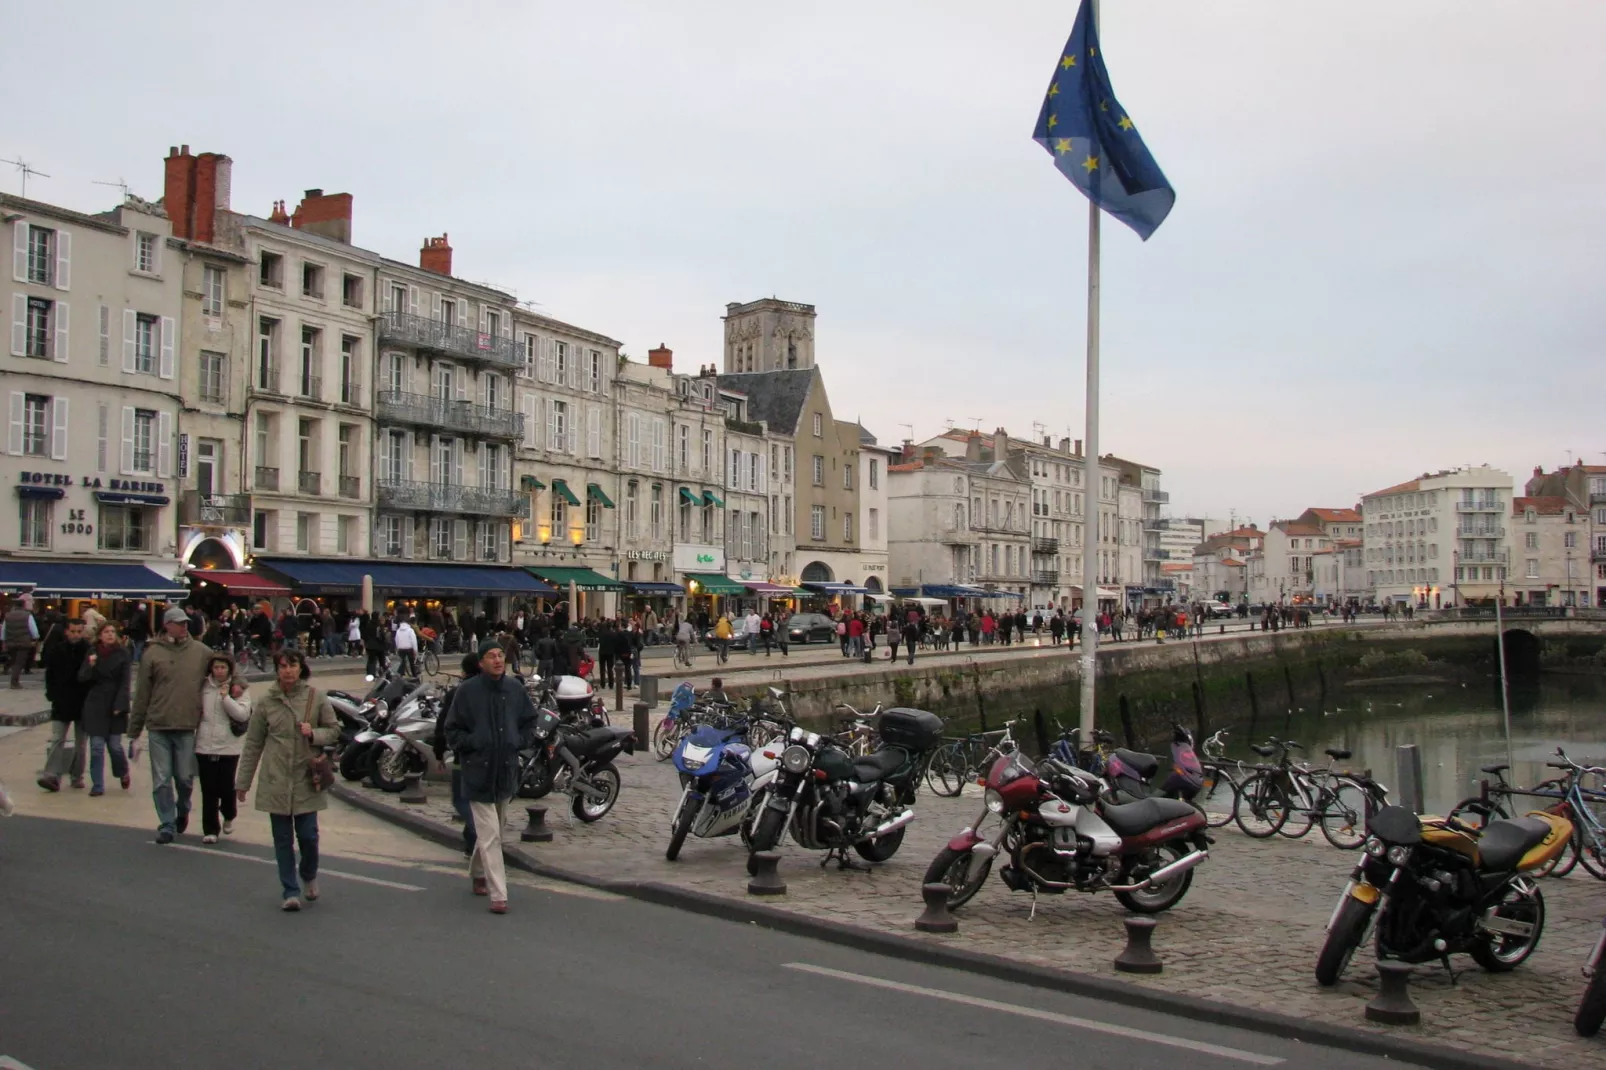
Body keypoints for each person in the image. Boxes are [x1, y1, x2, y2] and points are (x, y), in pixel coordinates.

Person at [234, 651, 337, 910]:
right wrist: (243, 782)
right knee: (282, 839)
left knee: (308, 836)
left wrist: (313, 733)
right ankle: (289, 891)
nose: (288, 671)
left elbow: (335, 730)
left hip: (305, 778)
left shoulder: (316, 697)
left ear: (301, 668)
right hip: (276, 778)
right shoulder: (267, 702)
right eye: (283, 666)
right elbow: (254, 743)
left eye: (293, 665)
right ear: (277, 669)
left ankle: (309, 874)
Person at [444, 639, 537, 915]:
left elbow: (530, 721)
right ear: (481, 662)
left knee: (492, 830)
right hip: (478, 771)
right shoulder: (467, 692)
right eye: (491, 656)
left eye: (500, 655)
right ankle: (499, 894)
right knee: (491, 835)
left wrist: (518, 741)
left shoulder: (514, 689)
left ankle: (477, 872)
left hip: (506, 769)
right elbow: (452, 730)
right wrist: (473, 743)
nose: (498, 660)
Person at [129, 606, 213, 843]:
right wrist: (134, 729)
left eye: (186, 622)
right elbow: (142, 693)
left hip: (187, 725)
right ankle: (167, 822)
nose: (184, 626)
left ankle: (183, 809)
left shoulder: (200, 651)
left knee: (185, 777)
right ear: (167, 625)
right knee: (162, 778)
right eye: (179, 623)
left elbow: (224, 667)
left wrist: (237, 685)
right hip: (158, 725)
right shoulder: (152, 654)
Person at [196, 654, 251, 844]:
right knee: (208, 789)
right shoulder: (204, 686)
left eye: (223, 667)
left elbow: (243, 714)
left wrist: (226, 698)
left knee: (227, 788)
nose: (219, 671)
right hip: (205, 745)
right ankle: (210, 829)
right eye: (216, 667)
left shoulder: (238, 689)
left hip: (228, 747)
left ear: (229, 669)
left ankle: (229, 814)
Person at [433, 652, 481, 856]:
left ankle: (480, 835)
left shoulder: (457, 693)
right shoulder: (489, 689)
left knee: (462, 800)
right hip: (487, 755)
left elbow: (444, 723)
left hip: (464, 755)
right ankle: (472, 843)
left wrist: (438, 751)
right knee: (477, 802)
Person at [78, 621, 132, 796]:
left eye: (112, 632)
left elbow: (125, 682)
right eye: (106, 632)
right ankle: (97, 784)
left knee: (115, 746)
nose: (110, 635)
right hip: (95, 703)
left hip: (115, 701)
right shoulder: (93, 652)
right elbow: (82, 678)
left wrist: (121, 704)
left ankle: (122, 771)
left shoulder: (123, 653)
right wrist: (90, 666)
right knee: (96, 747)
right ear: (100, 635)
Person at [38, 618, 91, 791]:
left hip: (83, 702)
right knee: (57, 739)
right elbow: (50, 674)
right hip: (61, 701)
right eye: (73, 631)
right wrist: (52, 695)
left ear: (83, 631)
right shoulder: (57, 650)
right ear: (67, 631)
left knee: (81, 743)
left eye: (79, 631)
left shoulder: (88, 650)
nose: (76, 634)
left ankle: (77, 776)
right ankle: (51, 775)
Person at [5, 597, 38, 689]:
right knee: (19, 662)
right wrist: (35, 638)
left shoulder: (8, 615)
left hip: (11, 642)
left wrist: (4, 640)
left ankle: (14, 681)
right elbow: (33, 630)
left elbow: (4, 630)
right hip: (24, 642)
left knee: (14, 660)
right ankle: (14, 682)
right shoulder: (28, 615)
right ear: (23, 605)